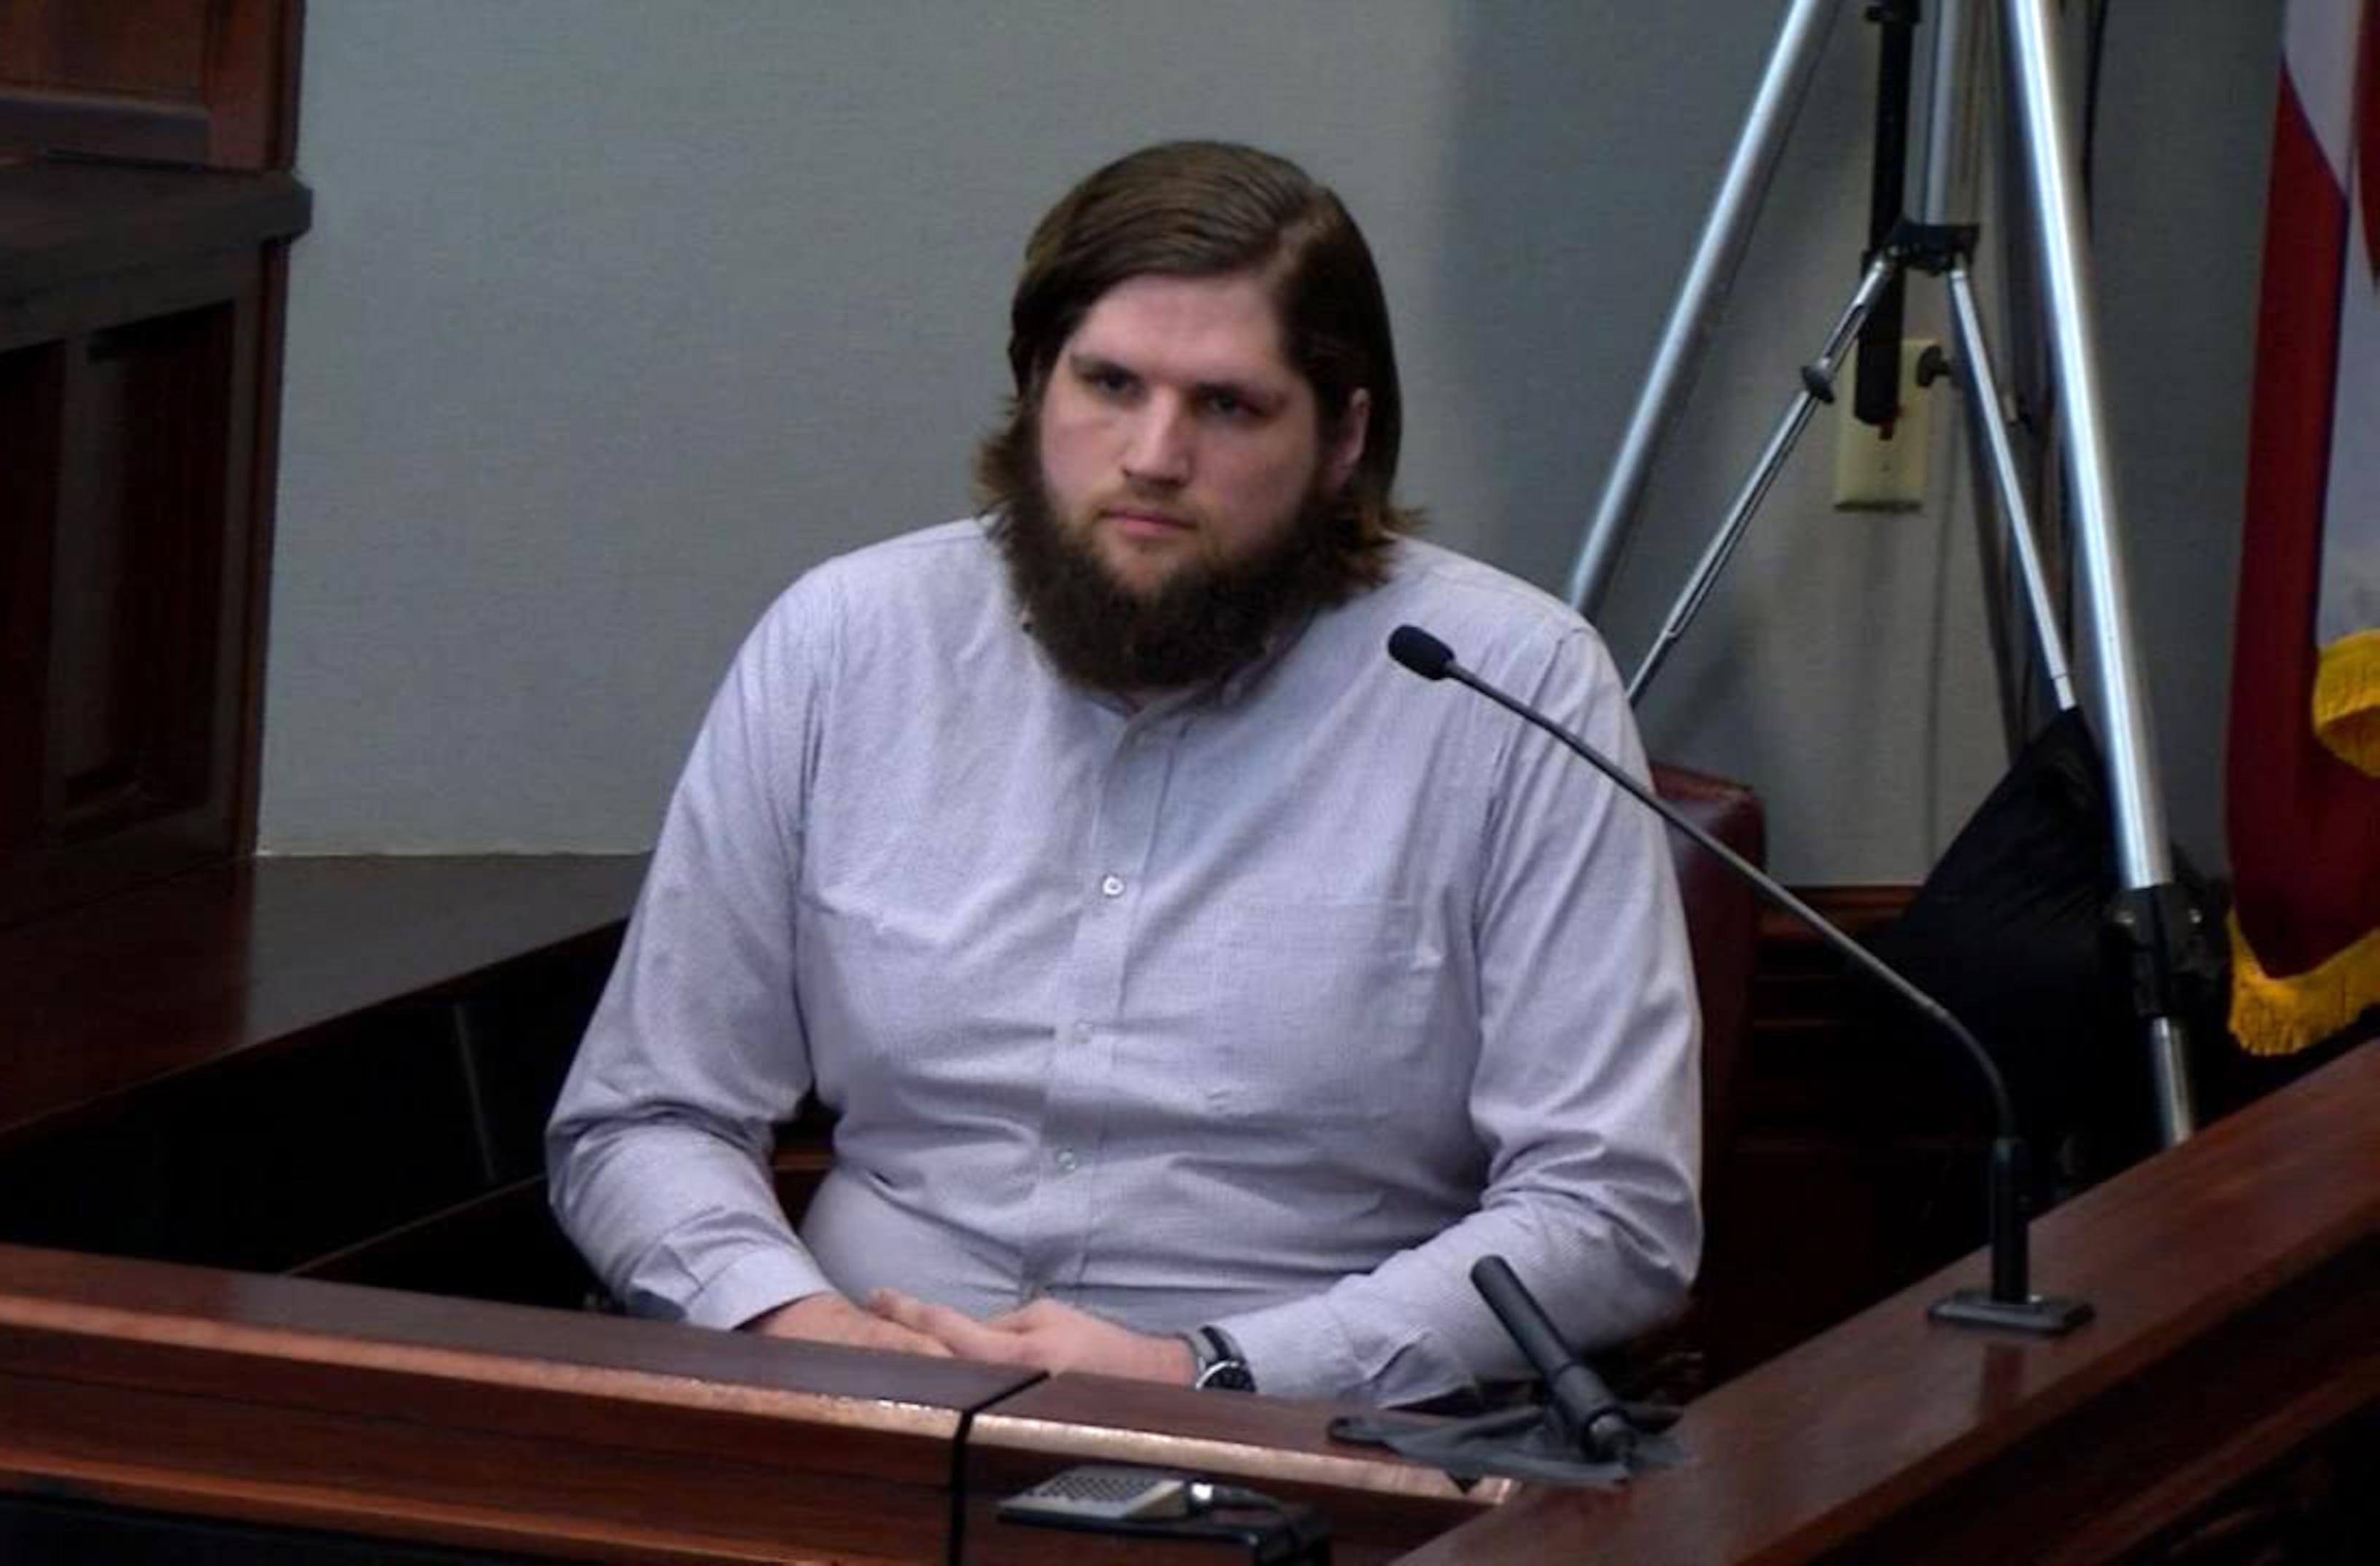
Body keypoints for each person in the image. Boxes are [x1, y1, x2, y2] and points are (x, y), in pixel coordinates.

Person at [547, 141, 1699, 1407]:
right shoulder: (845, 644)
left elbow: (1612, 1213)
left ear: (1342, 440)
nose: (1153, 454)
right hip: (850, 1408)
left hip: (1304, 1437)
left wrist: (1200, 1372)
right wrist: (791, 1323)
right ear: (1035, 386)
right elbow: (643, 1119)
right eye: (1108, 384)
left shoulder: (1508, 683)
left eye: (1228, 405)